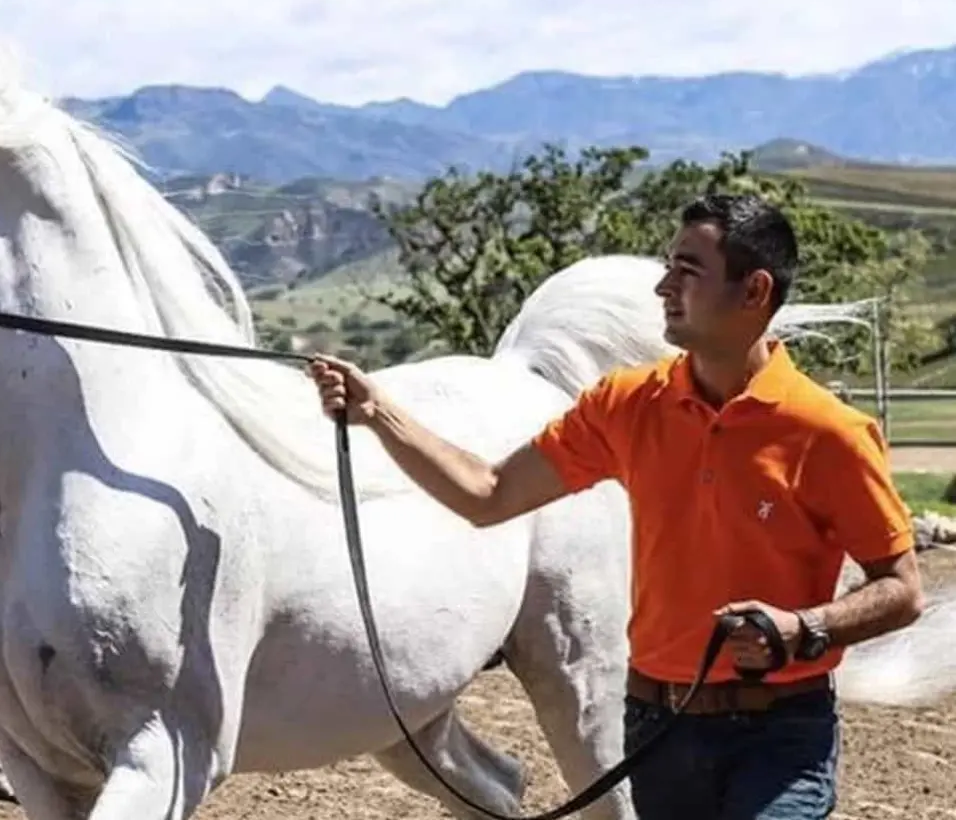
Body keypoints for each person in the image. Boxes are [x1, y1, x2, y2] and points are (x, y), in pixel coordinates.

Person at [306, 193, 925, 820]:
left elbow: (901, 589)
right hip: (658, 730)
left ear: (753, 291)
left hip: (778, 736)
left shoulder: (830, 433)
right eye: (667, 266)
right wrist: (376, 412)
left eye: (688, 270)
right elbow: (488, 494)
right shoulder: (626, 405)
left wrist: (805, 628)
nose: (662, 286)